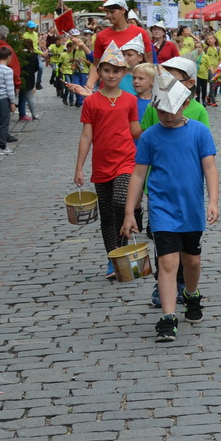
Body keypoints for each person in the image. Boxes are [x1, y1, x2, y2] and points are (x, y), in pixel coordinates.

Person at [123, 81, 218, 343]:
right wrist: (130, 211)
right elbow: (139, 174)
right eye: (161, 109)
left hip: (191, 209)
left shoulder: (199, 132)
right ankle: (168, 317)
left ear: (186, 104)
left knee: (192, 261)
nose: (166, 114)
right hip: (162, 208)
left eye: (171, 109)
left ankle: (191, 293)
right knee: (167, 262)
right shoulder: (150, 136)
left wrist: (213, 201)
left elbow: (209, 168)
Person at [74, 44, 142, 277]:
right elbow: (86, 136)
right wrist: (79, 168)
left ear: (124, 73)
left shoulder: (130, 100)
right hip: (101, 164)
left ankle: (123, 248)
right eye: (106, 71)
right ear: (99, 73)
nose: (111, 75)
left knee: (120, 202)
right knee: (106, 216)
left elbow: (134, 129)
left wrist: (154, 131)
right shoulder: (91, 102)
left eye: (116, 71)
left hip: (125, 160)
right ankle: (113, 259)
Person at [0, 45, 17, 156]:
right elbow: (10, 87)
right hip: (3, 98)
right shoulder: (8, 70)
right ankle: (2, 145)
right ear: (9, 57)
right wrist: (12, 101)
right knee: (4, 123)